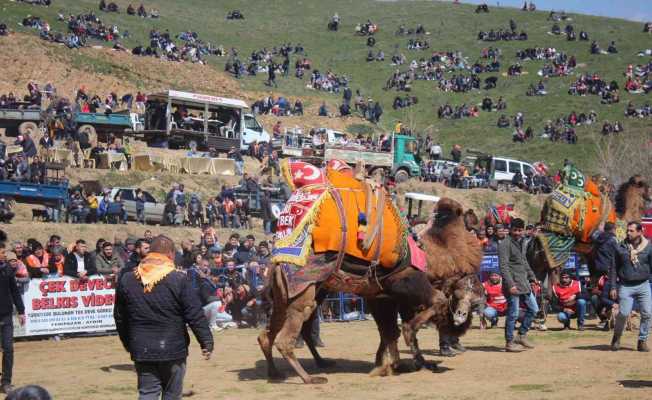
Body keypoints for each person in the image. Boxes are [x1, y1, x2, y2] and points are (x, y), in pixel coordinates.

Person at [114, 235, 213, 399]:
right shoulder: (179, 278)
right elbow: (194, 314)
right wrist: (206, 341)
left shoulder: (127, 279)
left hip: (142, 346)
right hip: (173, 348)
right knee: (172, 395)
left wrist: (128, 342)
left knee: (148, 393)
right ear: (171, 254)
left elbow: (120, 317)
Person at [610, 222, 652, 352]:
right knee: (623, 313)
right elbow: (613, 268)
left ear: (640, 232)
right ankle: (617, 337)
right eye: (628, 230)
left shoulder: (649, 247)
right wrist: (613, 287)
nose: (628, 233)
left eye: (631, 231)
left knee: (647, 313)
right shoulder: (620, 247)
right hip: (625, 285)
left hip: (643, 284)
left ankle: (642, 341)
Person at [499, 218, 539, 352]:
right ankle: (509, 342)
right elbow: (503, 267)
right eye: (515, 230)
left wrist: (533, 277)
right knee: (513, 313)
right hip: (513, 284)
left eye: (520, 230)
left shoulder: (521, 242)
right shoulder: (505, 244)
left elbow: (524, 262)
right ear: (510, 229)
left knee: (534, 309)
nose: (517, 232)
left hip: (524, 283)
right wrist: (510, 284)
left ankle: (521, 335)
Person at [0, 242, 26, 394]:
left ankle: (6, 382)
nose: (5, 255)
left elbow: (15, 291)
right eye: (2, 252)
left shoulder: (8, 269)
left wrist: (21, 311)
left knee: (8, 349)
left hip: (6, 315)